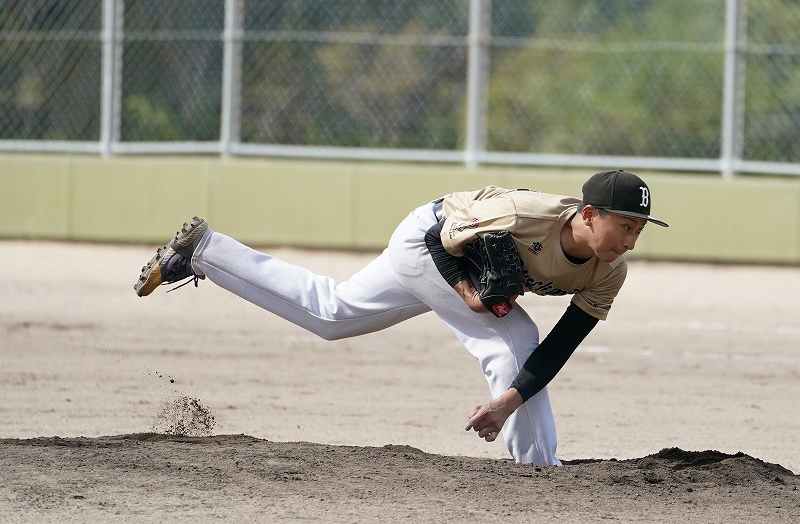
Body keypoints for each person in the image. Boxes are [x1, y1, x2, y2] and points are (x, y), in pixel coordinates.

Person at [134, 169, 668, 466]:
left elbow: (563, 343)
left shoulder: (609, 271)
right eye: (625, 225)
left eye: (639, 229)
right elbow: (437, 239)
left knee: (331, 313)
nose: (631, 239)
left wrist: (508, 401)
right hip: (427, 241)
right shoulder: (521, 215)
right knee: (513, 338)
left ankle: (204, 251)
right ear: (589, 214)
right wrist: (465, 290)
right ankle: (539, 471)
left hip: (448, 256)